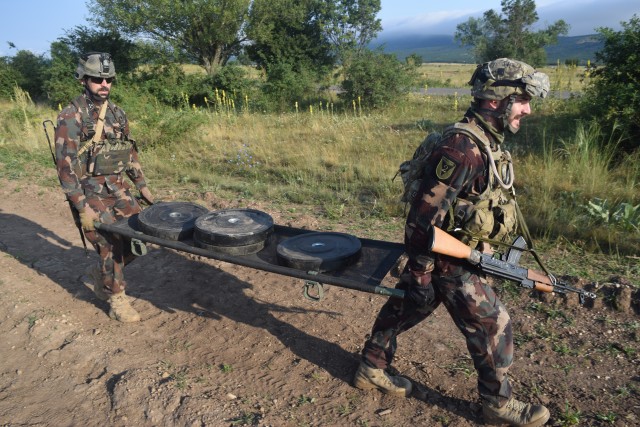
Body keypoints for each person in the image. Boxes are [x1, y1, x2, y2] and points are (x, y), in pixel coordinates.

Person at [353, 58, 551, 427]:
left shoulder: (486, 142)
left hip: (459, 254)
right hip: (449, 261)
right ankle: (497, 405)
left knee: (411, 305)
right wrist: (428, 270)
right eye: (522, 98)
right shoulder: (462, 149)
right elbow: (421, 224)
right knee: (495, 325)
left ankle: (371, 366)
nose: (528, 108)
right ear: (497, 99)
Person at [55, 52, 155, 322]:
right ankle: (117, 300)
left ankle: (103, 274)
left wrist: (143, 188)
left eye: (108, 79)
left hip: (118, 186)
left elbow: (129, 154)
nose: (104, 84)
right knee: (109, 243)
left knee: (141, 236)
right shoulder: (71, 115)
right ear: (84, 79)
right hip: (88, 190)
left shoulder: (118, 114)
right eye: (97, 79)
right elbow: (65, 168)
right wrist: (81, 207)